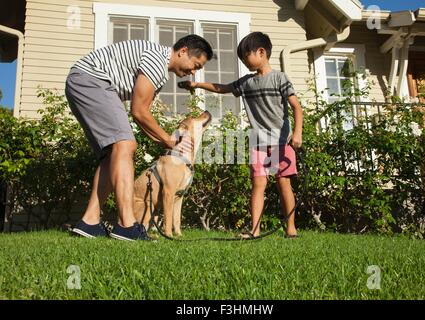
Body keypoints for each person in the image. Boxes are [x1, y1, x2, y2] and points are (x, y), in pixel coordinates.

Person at [65, 35, 213, 241]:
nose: (194, 71)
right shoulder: (157, 61)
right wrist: (169, 141)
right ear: (183, 52)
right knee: (125, 144)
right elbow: (139, 111)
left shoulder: (159, 74)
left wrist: (162, 142)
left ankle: (89, 222)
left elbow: (144, 119)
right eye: (195, 65)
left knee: (113, 153)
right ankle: (126, 225)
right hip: (92, 79)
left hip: (84, 80)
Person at [178, 32, 303, 238]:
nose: (244, 62)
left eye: (246, 56)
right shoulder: (247, 83)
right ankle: (255, 229)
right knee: (258, 184)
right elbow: (222, 88)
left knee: (284, 184)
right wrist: (197, 85)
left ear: (261, 52)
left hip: (282, 142)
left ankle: (291, 228)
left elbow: (296, 107)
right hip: (259, 142)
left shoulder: (280, 78)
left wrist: (297, 133)